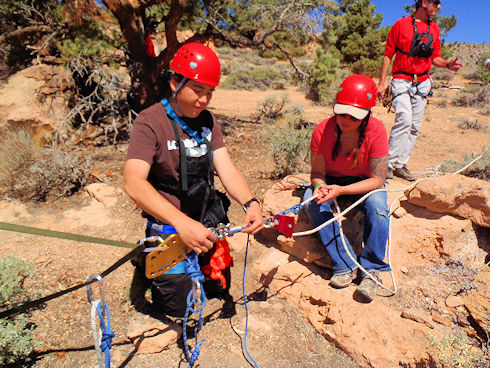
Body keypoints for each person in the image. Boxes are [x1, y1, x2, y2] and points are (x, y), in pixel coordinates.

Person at [124, 42, 264, 317]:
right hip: (170, 225)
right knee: (180, 308)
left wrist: (251, 202)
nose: (204, 100)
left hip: (205, 218)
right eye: (198, 91)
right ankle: (147, 261)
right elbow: (133, 182)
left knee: (216, 287)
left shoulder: (207, 121)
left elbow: (225, 167)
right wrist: (181, 222)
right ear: (175, 82)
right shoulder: (150, 122)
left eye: (209, 92)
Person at [303, 74, 390, 302]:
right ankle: (344, 265)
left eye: (354, 115)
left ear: (367, 114)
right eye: (341, 111)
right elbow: (318, 174)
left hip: (364, 181)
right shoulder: (322, 130)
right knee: (313, 204)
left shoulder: (377, 131)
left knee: (378, 208)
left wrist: (341, 192)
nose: (346, 118)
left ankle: (371, 270)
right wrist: (321, 186)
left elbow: (377, 179)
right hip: (332, 179)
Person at [378, 0, 462, 181]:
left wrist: (448, 65)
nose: (438, 7)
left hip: (422, 82)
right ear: (424, 2)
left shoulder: (435, 29)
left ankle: (400, 164)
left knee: (414, 126)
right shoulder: (401, 25)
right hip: (401, 79)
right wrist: (382, 83)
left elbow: (435, 57)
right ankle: (388, 165)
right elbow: (388, 55)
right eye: (435, 2)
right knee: (405, 119)